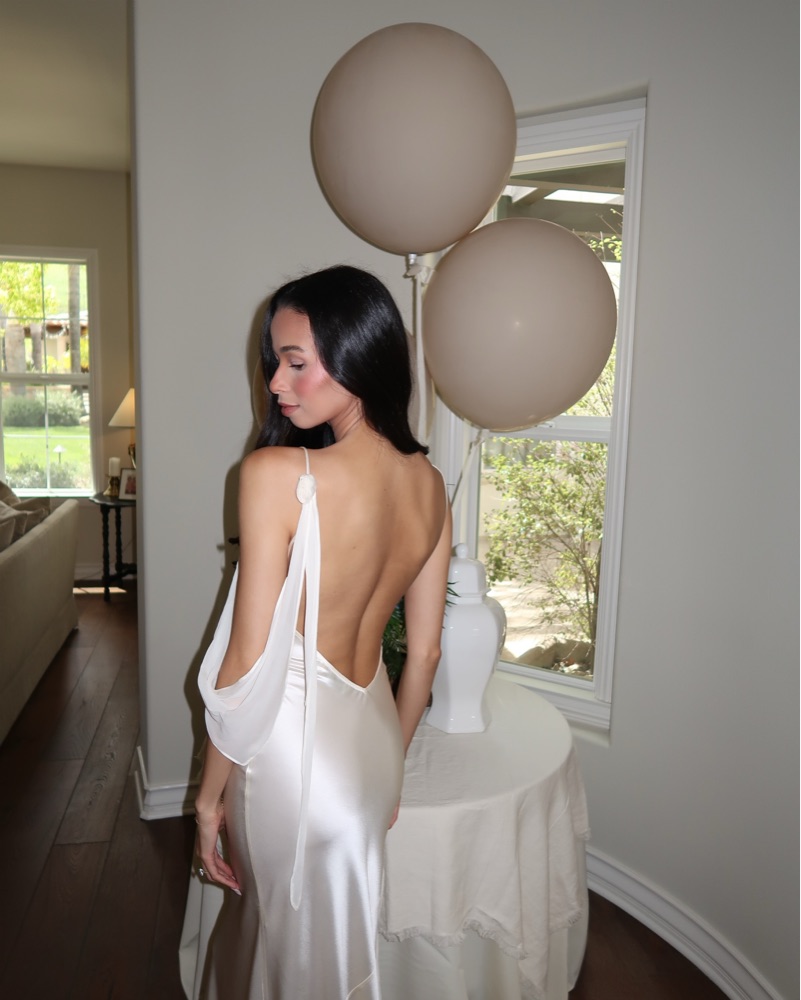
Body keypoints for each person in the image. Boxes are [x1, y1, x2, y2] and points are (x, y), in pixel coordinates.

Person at [193, 264, 452, 999]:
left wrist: (208, 799)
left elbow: (246, 664)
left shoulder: (277, 473)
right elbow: (424, 654)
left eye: (296, 362)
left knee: (279, 950)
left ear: (358, 356)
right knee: (325, 952)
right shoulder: (430, 484)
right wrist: (390, 768)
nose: (277, 382)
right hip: (370, 752)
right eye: (274, 362)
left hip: (292, 760)